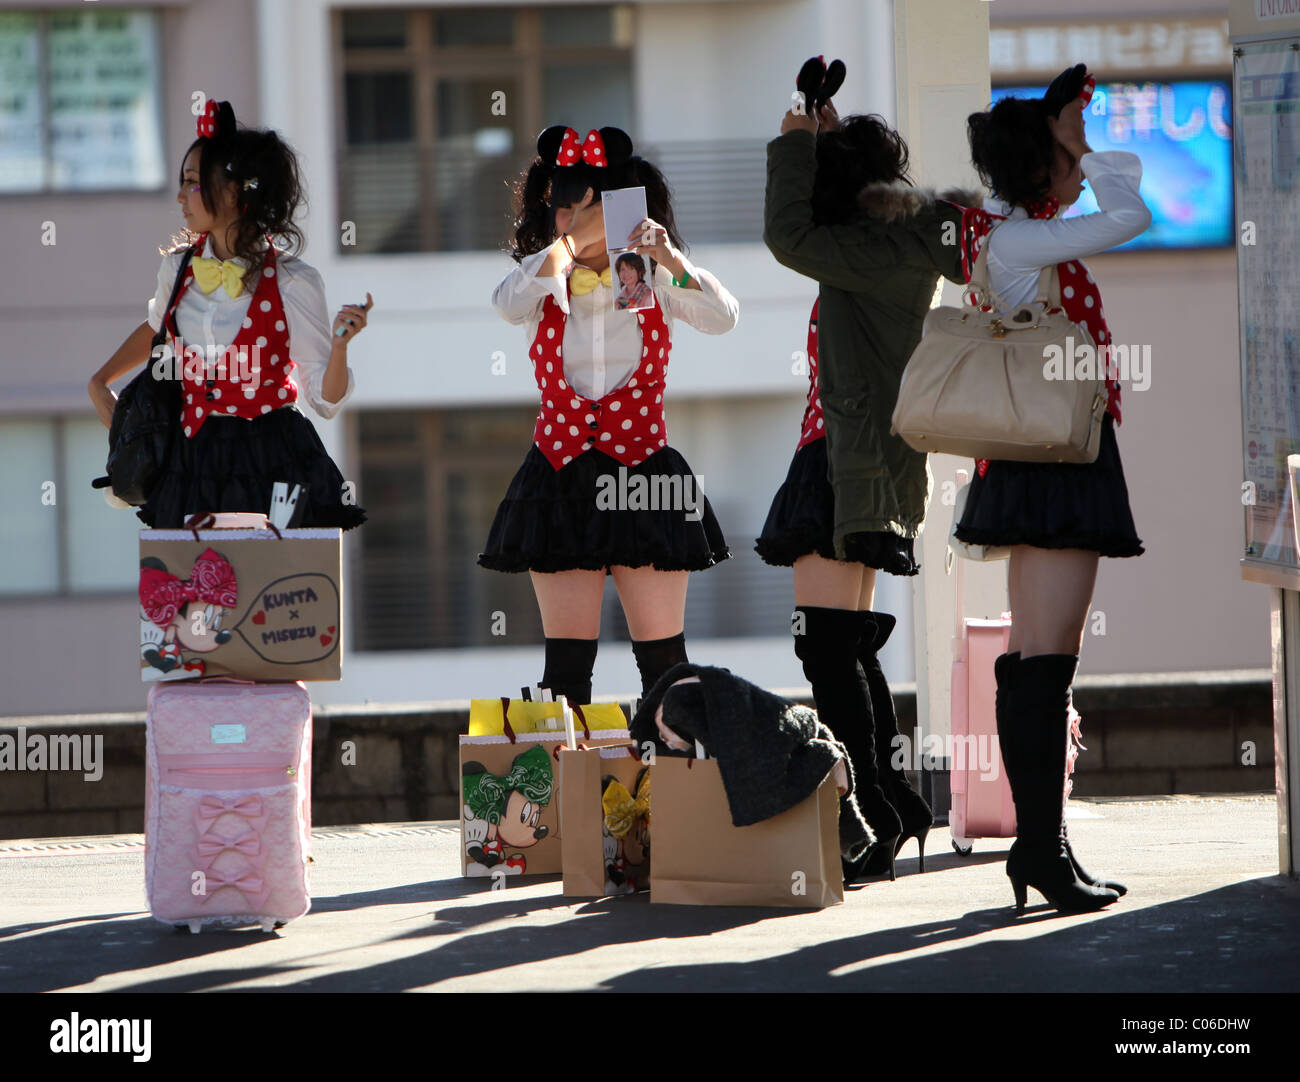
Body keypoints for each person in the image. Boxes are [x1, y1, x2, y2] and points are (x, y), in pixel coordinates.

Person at [763, 96, 976, 881]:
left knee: (824, 646)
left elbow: (786, 236)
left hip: (843, 463)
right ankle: (896, 805)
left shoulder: (870, 248)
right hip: (857, 461)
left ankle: (876, 817)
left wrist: (790, 149)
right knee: (845, 643)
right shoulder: (888, 241)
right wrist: (819, 136)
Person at [955, 66, 1150, 913]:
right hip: (1059, 459)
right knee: (1049, 662)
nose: (1076, 171)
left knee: (1033, 658)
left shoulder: (1004, 231)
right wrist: (1078, 143)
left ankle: (1041, 850)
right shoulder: (1021, 242)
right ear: (1040, 170)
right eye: (1063, 161)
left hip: (1028, 458)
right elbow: (1133, 216)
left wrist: (1058, 133)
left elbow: (1075, 210)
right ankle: (1043, 849)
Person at [480, 125, 739, 705]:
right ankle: (573, 794)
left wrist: (666, 255)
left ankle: (675, 788)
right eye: (564, 207)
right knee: (566, 673)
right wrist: (565, 251)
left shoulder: (656, 278)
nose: (572, 218)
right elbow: (503, 303)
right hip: (558, 476)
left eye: (588, 206)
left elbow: (724, 316)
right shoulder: (543, 278)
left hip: (643, 472)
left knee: (665, 664)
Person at [89, 98, 370, 529]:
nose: (181, 197)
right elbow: (157, 329)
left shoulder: (294, 281)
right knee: (191, 587)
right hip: (191, 456)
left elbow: (325, 400)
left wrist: (339, 347)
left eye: (193, 183)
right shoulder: (176, 268)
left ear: (237, 192)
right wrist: (100, 381)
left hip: (273, 460)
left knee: (276, 589)